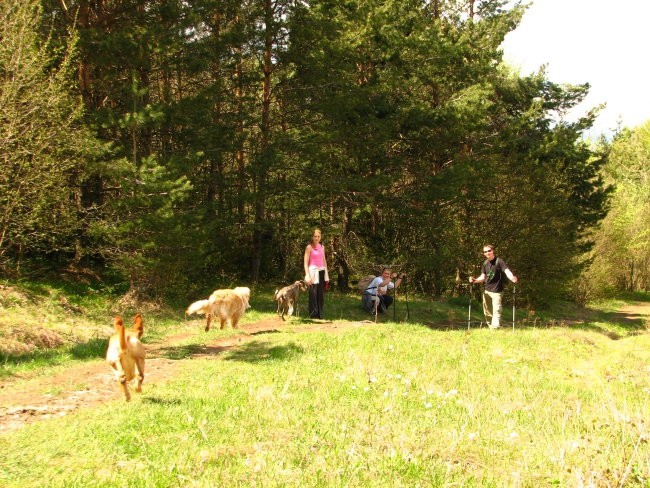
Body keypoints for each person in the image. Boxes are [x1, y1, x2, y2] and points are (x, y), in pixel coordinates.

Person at [468, 244, 518, 329]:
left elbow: (507, 271)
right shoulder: (485, 263)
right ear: (484, 253)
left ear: (492, 251)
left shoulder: (499, 261)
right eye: (485, 251)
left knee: (496, 310)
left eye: (489, 251)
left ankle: (495, 327)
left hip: (497, 291)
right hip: (487, 291)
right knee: (487, 311)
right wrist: (475, 280)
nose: (487, 252)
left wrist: (512, 278)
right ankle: (491, 327)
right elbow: (483, 277)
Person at [303, 228, 329, 319]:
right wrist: (307, 275)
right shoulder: (309, 247)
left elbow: (324, 260)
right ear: (312, 237)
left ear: (320, 237)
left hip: (321, 271)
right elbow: (305, 262)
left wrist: (327, 274)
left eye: (318, 236)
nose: (317, 238)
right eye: (315, 236)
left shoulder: (322, 247)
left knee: (320, 294)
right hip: (312, 272)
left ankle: (320, 314)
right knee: (313, 294)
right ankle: (313, 314)